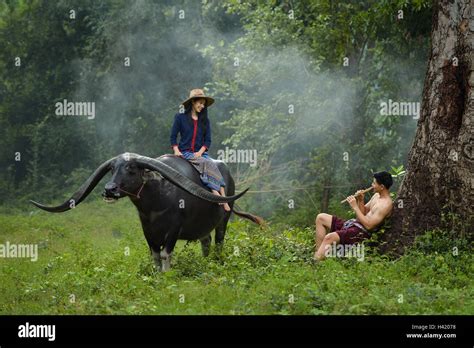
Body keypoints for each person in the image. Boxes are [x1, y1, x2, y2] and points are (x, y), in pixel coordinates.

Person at [170, 88, 231, 212]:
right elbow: (173, 136)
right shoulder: (180, 117)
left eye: (204, 104)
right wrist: (176, 150)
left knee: (214, 166)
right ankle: (216, 194)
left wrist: (200, 152)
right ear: (193, 102)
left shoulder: (205, 121)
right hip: (186, 152)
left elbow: (207, 140)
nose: (202, 106)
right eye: (200, 103)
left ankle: (224, 197)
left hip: (200, 153)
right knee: (205, 163)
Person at [313, 171, 394, 261]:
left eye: (374, 183)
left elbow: (369, 226)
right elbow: (362, 214)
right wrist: (361, 200)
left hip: (361, 233)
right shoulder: (376, 196)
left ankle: (315, 264)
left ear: (382, 187)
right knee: (321, 217)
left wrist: (355, 207)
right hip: (354, 224)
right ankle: (319, 255)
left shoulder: (386, 204)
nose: (372, 185)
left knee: (329, 237)